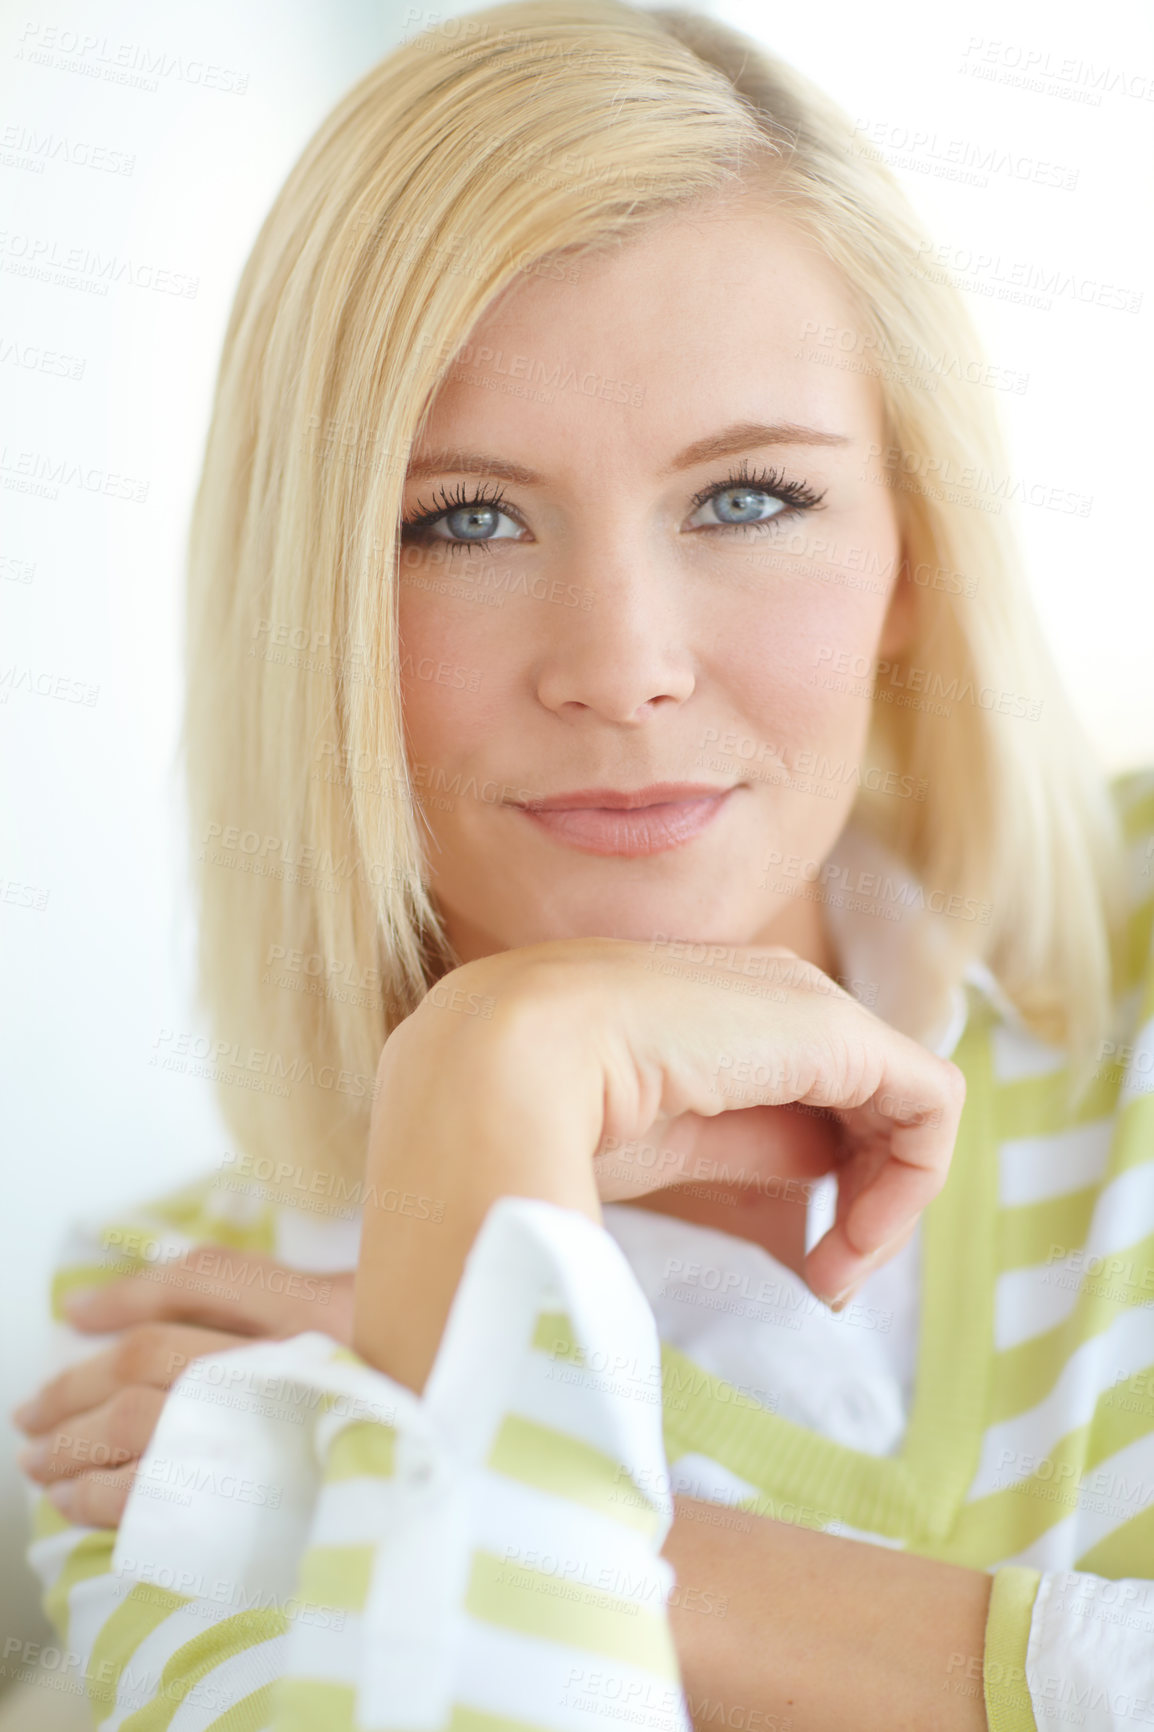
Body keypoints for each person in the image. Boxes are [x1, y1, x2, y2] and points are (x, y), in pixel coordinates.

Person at [14, 1, 1154, 1727]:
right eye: (464, 520)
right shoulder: (179, 1344)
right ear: (309, 599)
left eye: (748, 498)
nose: (620, 665)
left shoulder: (267, 1439)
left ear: (911, 550)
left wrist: (472, 1486)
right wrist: (491, 1088)